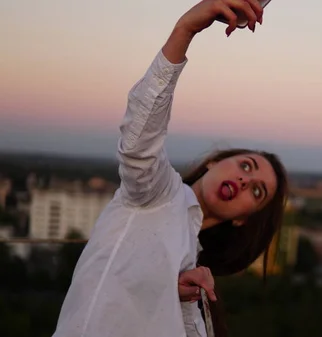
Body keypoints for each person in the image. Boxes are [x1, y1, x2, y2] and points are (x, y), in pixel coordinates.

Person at [51, 1, 288, 336]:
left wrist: (176, 297)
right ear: (214, 162)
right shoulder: (157, 193)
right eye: (246, 166)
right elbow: (139, 144)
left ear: (243, 218)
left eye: (257, 190)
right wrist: (185, 29)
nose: (244, 180)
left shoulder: (193, 263)